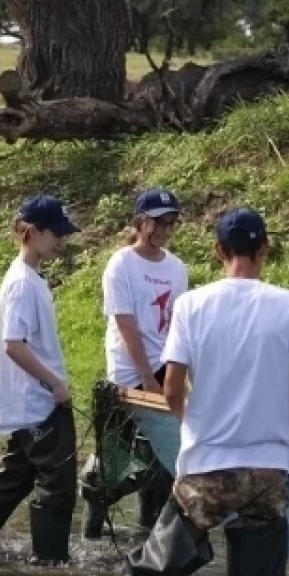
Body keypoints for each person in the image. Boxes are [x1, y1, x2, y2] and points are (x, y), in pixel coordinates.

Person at [98, 207, 289, 576]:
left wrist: (192, 423)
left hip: (208, 465)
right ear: (265, 250)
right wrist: (281, 415)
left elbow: (173, 388)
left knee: (160, 557)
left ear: (219, 251)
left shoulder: (192, 305)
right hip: (268, 468)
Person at [0, 194, 80, 564]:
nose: (62, 239)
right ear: (31, 232)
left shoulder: (30, 278)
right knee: (56, 485)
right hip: (37, 402)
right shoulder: (22, 283)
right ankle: (51, 561)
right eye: (55, 232)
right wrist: (54, 384)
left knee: (14, 477)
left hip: (32, 400)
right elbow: (14, 345)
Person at [80, 188, 188, 538]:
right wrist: (146, 376)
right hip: (130, 369)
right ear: (141, 221)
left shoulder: (176, 268)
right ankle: (93, 511)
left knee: (161, 459)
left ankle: (147, 532)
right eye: (159, 222)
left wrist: (176, 374)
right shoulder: (122, 264)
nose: (165, 230)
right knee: (122, 460)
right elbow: (126, 324)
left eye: (171, 223)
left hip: (164, 364)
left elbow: (179, 324)